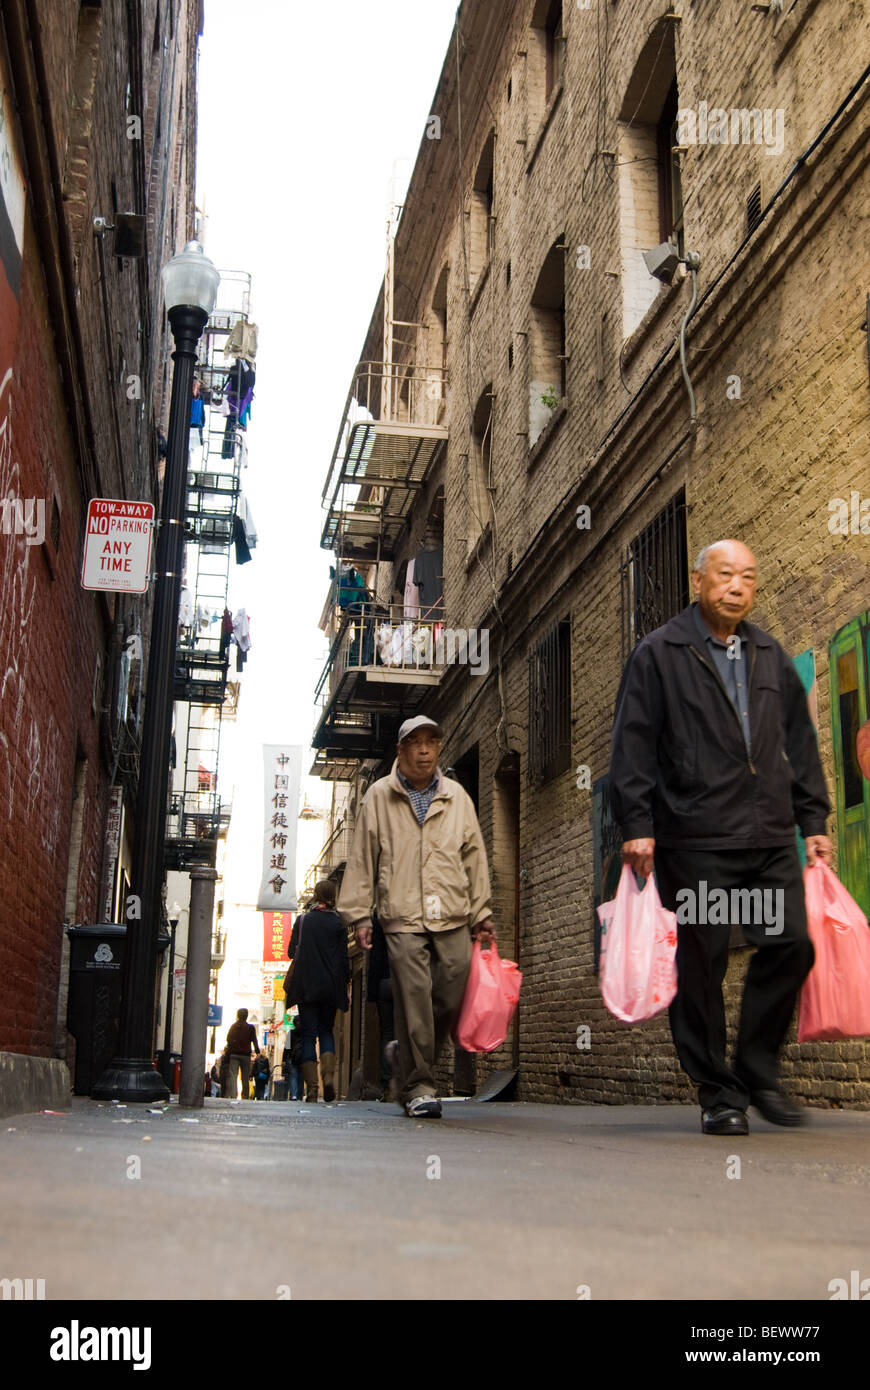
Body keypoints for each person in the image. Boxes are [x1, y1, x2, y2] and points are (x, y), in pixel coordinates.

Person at [609, 539, 832, 1136]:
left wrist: (814, 821)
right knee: (702, 964)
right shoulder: (660, 653)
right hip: (697, 836)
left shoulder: (768, 653)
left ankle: (755, 1071)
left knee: (791, 944)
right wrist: (637, 825)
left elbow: (800, 742)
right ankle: (718, 1091)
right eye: (725, 574)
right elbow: (632, 744)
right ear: (698, 579)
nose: (737, 586)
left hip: (766, 834)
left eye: (748, 578)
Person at [339, 715, 496, 1119]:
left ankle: (406, 1058)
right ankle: (420, 1086)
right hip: (402, 914)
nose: (425, 750)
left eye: (432, 742)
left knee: (451, 993)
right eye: (416, 743)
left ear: (439, 749)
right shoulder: (378, 796)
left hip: (452, 911)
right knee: (413, 998)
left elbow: (474, 855)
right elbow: (362, 856)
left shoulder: (458, 797)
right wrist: (359, 915)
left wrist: (481, 911)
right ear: (401, 750)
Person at [284, 881, 350, 1103]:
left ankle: (312, 1089)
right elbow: (344, 959)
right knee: (326, 1032)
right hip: (330, 987)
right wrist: (345, 984)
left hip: (306, 986)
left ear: (315, 896)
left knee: (309, 1035)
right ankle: (328, 1078)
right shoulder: (340, 923)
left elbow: (291, 951)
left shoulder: (304, 921)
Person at [224, 1008, 259, 1101]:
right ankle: (245, 1096)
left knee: (233, 1075)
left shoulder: (233, 1026)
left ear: (238, 1015)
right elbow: (254, 1040)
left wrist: (233, 1045)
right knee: (245, 1076)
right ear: (246, 1016)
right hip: (246, 1055)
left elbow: (228, 1039)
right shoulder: (250, 1028)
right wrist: (257, 1050)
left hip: (234, 1054)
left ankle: (233, 1095)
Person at [282, 1015, 304, 1101]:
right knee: (301, 1076)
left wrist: (283, 1059)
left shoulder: (290, 1033)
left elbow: (287, 1047)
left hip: (292, 1057)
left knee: (293, 1076)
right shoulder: (305, 1034)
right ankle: (300, 1095)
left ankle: (293, 1095)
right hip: (302, 1058)